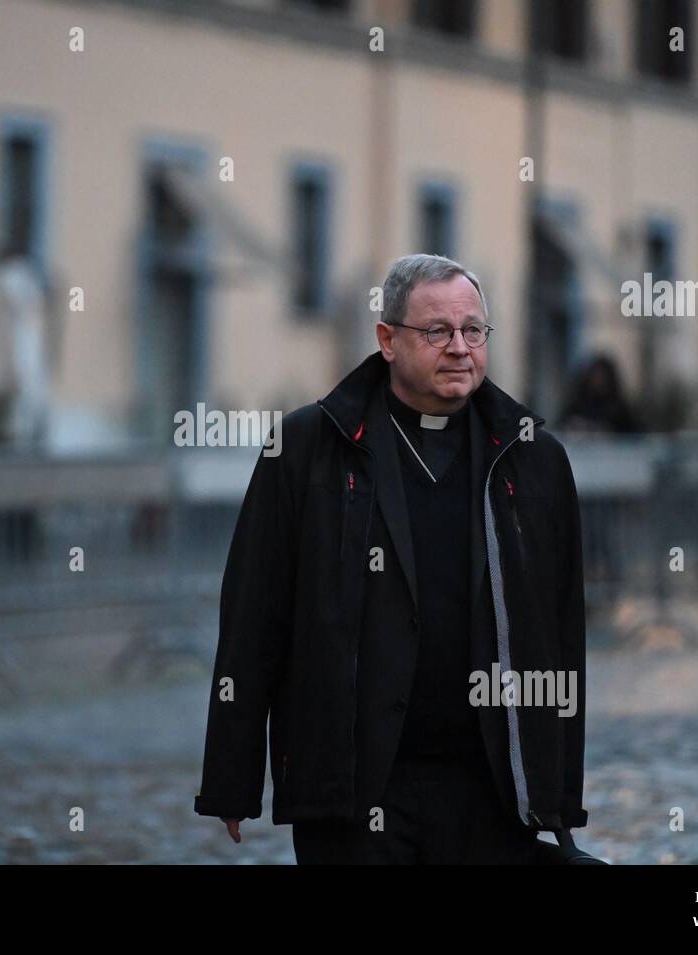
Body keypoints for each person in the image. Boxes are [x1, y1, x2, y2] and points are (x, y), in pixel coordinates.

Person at [193, 253, 590, 863]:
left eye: (473, 331)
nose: (460, 348)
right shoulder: (305, 449)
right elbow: (254, 615)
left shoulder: (533, 457)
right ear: (387, 339)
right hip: (354, 784)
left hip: (491, 784)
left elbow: (561, 634)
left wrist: (556, 789)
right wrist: (231, 778)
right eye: (437, 331)